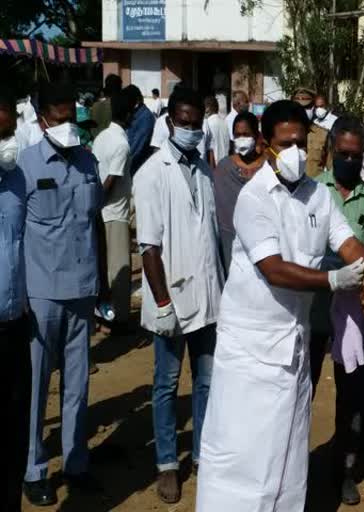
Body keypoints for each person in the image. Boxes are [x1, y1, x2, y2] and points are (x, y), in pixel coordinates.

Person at [196, 100, 364, 512]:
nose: (294, 151)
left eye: (300, 141)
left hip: (292, 344)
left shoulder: (318, 196)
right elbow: (274, 269)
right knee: (244, 455)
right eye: (284, 143)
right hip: (250, 350)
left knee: (288, 452)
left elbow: (348, 244)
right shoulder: (254, 198)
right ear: (264, 143)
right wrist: (333, 279)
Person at [133, 86, 224, 504]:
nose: (189, 129)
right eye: (182, 122)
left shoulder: (205, 171)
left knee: (206, 383)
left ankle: (204, 455)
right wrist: (164, 303)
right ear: (170, 122)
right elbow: (149, 247)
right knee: (167, 384)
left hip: (208, 297)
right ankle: (168, 463)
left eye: (195, 123)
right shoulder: (151, 173)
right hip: (170, 298)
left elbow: (208, 236)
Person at [19, 82, 107, 506]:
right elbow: (15, 233)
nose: (68, 125)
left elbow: (95, 223)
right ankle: (34, 469)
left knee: (78, 385)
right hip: (41, 295)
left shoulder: (88, 162)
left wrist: (103, 283)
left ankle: (76, 462)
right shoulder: (24, 166)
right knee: (36, 387)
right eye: (58, 119)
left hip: (82, 290)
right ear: (41, 121)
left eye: (71, 117)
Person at [311, 115, 364, 505]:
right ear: (330, 152)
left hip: (353, 312)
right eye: (343, 154)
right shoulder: (311, 192)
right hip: (310, 307)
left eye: (356, 157)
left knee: (351, 395)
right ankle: (296, 466)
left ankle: (344, 470)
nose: (350, 162)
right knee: (300, 390)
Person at [0, 88, 29, 512]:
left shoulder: (18, 177)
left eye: (8, 135)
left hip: (15, 323)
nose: (6, 146)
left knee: (13, 430)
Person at [92, 88, 133, 328]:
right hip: (114, 211)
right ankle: (119, 319)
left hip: (102, 211)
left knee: (104, 267)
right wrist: (98, 200)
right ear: (127, 115)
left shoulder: (101, 137)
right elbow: (111, 180)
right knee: (119, 270)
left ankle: (104, 313)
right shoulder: (120, 144)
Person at [213, 111, 264, 270]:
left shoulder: (268, 166)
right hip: (231, 241)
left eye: (246, 134)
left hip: (263, 240)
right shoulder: (224, 168)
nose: (241, 138)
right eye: (237, 135)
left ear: (256, 135)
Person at [292, 87, 329, 178]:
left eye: (307, 107)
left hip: (315, 189)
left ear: (313, 107)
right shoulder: (283, 134)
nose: (303, 111)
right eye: (299, 107)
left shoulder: (323, 135)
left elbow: (331, 169)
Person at [125, 84, 156, 175]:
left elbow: (137, 146)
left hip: (137, 168)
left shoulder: (146, 117)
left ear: (137, 100)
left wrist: (124, 164)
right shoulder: (133, 115)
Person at [204, 95, 230, 167]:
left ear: (207, 108)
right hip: (225, 166)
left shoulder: (207, 124)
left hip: (213, 168)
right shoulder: (225, 123)